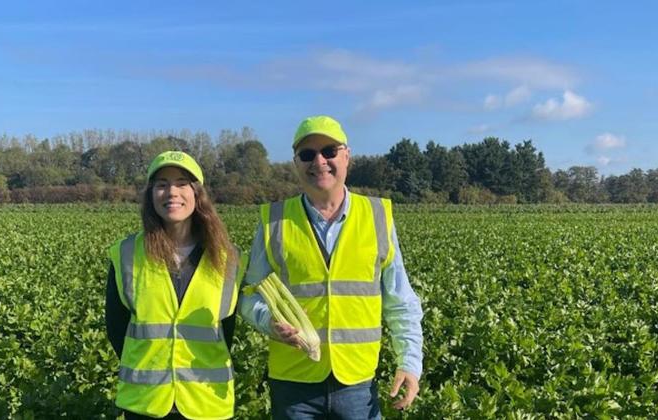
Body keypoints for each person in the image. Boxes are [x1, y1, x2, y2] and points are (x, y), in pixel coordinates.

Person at [239, 115, 424, 419]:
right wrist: (267, 320)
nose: (319, 161)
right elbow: (249, 293)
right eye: (307, 154)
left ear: (347, 156)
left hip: (357, 384)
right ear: (296, 162)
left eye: (329, 151)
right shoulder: (274, 221)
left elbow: (400, 300)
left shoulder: (377, 216)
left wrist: (410, 362)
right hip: (293, 384)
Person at [105, 151, 247, 420]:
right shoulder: (125, 254)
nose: (172, 192)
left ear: (197, 194)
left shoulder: (230, 259)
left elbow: (227, 330)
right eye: (161, 184)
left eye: (182, 183)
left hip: (206, 402)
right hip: (144, 404)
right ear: (151, 196)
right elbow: (116, 327)